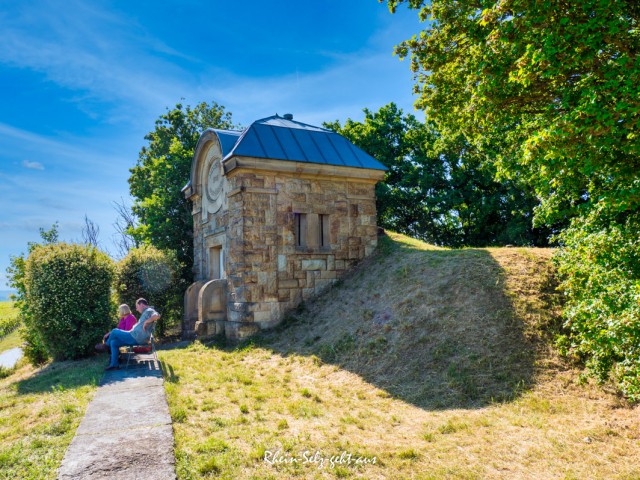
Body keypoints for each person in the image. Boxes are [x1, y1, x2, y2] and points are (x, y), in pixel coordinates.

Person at [104, 298, 161, 371]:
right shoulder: (146, 312)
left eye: (137, 307)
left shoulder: (149, 310)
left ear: (141, 304)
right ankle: (114, 365)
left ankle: (106, 345)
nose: (136, 309)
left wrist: (147, 321)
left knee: (114, 331)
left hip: (136, 337)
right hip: (134, 335)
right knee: (114, 342)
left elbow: (157, 315)